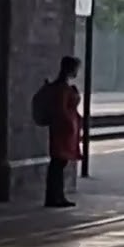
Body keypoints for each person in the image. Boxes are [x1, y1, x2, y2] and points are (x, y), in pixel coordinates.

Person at [45, 56, 83, 208]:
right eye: (76, 68)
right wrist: (69, 124)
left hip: (64, 129)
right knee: (58, 162)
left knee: (59, 162)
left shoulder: (62, 86)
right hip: (63, 130)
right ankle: (54, 197)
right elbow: (61, 109)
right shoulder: (62, 87)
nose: (77, 72)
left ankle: (57, 196)